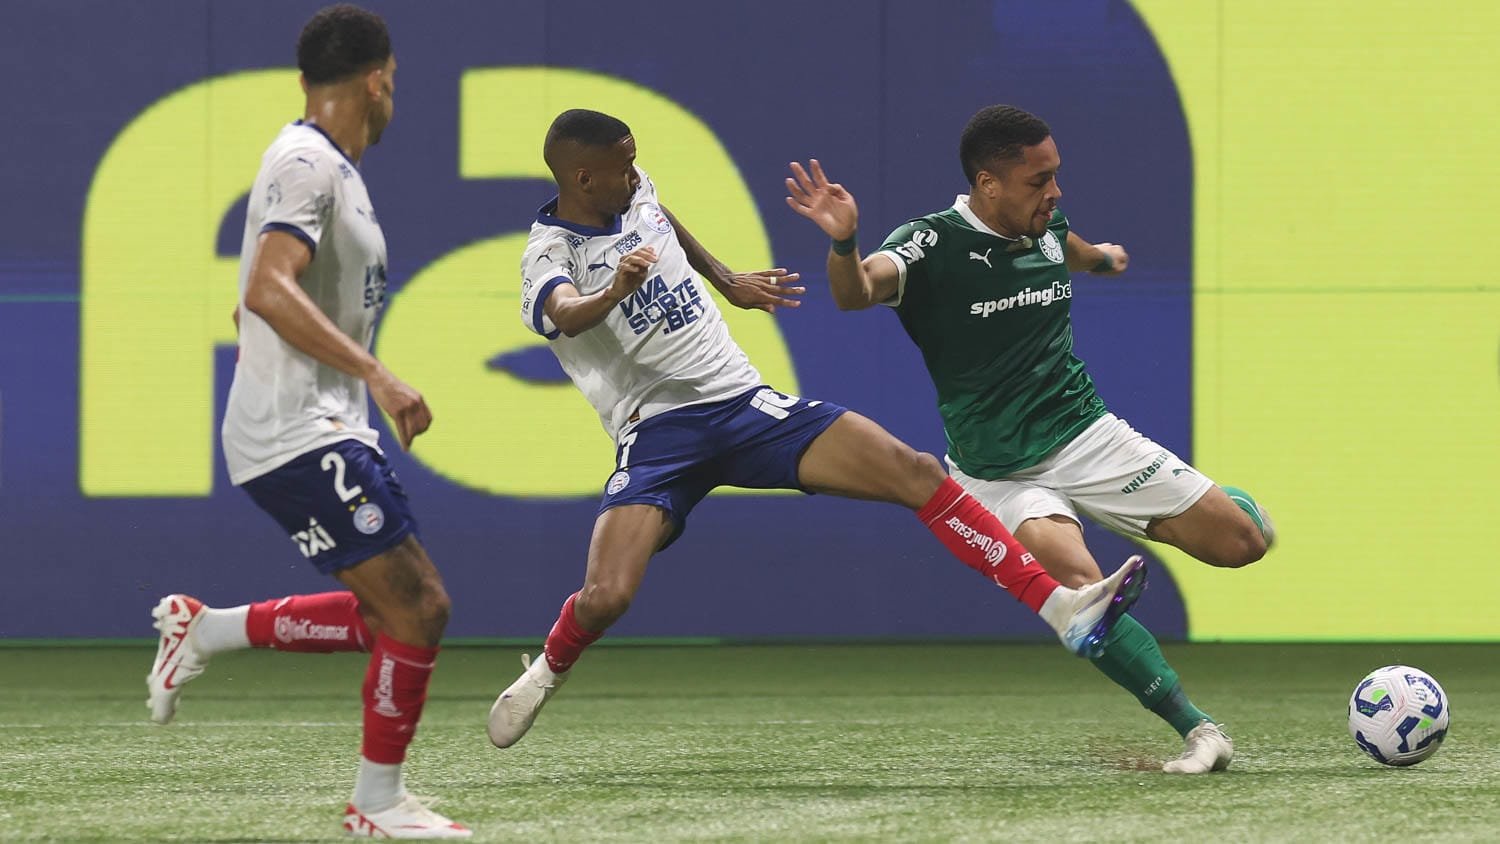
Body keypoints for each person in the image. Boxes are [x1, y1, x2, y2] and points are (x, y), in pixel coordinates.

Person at [487, 108, 1150, 751]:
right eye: (623, 167)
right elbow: (565, 315)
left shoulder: (635, 194)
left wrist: (727, 280)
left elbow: (660, 218)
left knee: (915, 472)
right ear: (581, 179)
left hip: (743, 405)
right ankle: (546, 669)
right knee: (607, 596)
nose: (637, 175)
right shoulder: (550, 253)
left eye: (636, 163)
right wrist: (614, 293)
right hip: (657, 434)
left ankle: (1060, 608)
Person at [783, 104, 1277, 774]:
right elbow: (855, 293)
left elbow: (1070, 249)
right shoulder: (931, 245)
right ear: (988, 184)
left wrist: (1103, 259)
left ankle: (1231, 504)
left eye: (1056, 175)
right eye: (1038, 180)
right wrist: (844, 243)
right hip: (999, 475)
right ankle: (1199, 731)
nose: (1055, 191)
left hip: (1086, 435)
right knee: (1081, 594)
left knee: (1242, 545)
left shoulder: (1048, 226)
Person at [144, 6, 470, 838]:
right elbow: (264, 287)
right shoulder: (305, 162)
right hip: (296, 430)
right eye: (393, 82)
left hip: (322, 423)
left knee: (392, 610)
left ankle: (207, 629)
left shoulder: (326, 168)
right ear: (380, 79)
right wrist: (381, 374)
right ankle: (378, 801)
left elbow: (261, 296)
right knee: (420, 606)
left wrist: (274, 327)